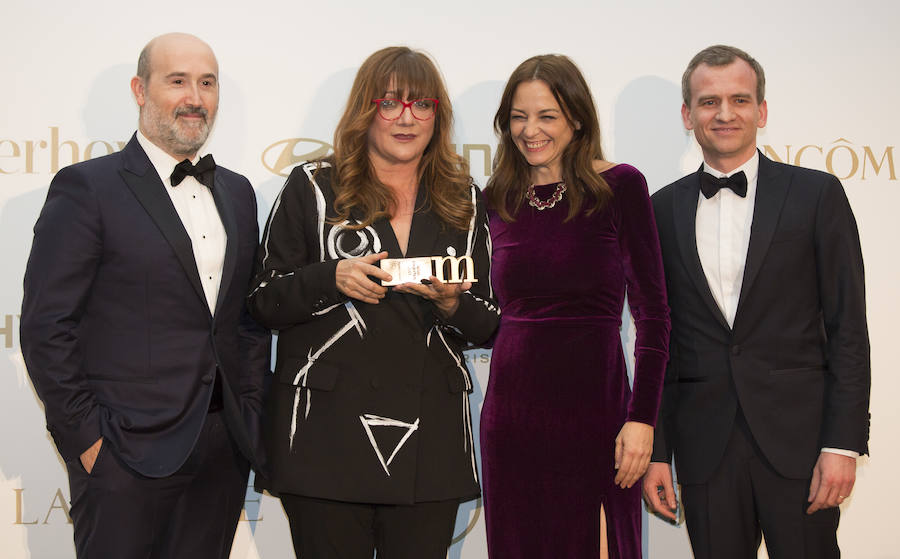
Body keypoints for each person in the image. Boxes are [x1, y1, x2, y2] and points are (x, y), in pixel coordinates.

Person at [19, 33, 270, 559]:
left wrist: (248, 415)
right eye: (176, 81)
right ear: (140, 89)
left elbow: (243, 321)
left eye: (207, 83)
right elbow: (47, 326)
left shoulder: (239, 191)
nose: (194, 97)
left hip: (222, 449)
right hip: (124, 453)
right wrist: (89, 443)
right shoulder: (87, 188)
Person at [248, 46, 500, 558]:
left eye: (421, 105)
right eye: (391, 103)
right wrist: (330, 277)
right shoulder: (314, 186)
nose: (407, 118)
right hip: (325, 438)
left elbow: (490, 324)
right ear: (366, 110)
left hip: (430, 443)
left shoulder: (465, 199)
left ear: (438, 116)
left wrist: (453, 305)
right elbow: (262, 302)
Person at [642, 45, 870, 558]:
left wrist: (842, 444)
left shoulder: (817, 195)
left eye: (739, 100)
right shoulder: (660, 209)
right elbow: (661, 339)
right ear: (687, 115)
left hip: (801, 444)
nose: (724, 114)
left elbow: (848, 326)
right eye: (708, 102)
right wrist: (658, 450)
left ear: (762, 110)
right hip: (705, 447)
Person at [481, 54, 670, 558]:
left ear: (577, 118)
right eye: (519, 116)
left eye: (547, 115)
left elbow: (653, 317)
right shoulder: (495, 198)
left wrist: (642, 420)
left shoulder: (621, 186)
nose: (530, 130)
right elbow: (481, 312)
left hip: (597, 412)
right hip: (511, 415)